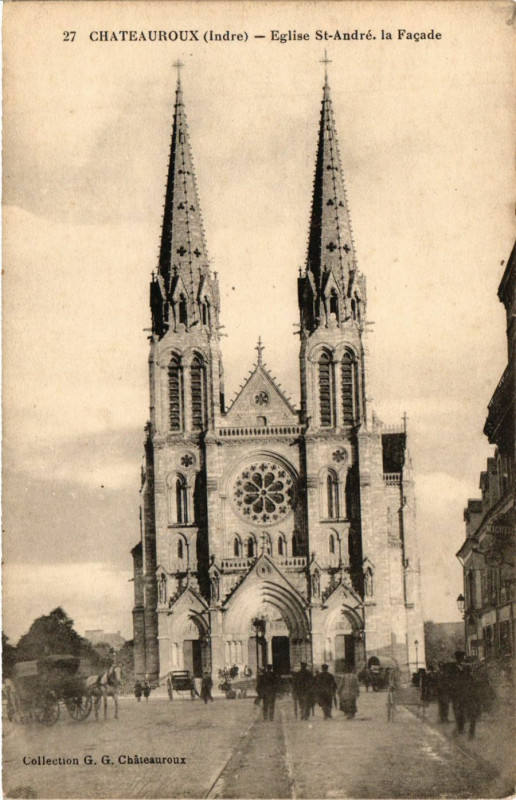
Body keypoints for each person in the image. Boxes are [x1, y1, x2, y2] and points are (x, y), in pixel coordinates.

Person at [450, 651, 481, 739]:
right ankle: (460, 729)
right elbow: (451, 681)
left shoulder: (466, 668)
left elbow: (471, 678)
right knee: (459, 712)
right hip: (458, 694)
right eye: (460, 657)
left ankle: (470, 733)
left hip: (468, 693)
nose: (462, 659)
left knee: (471, 712)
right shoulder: (453, 668)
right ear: (457, 658)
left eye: (462, 657)